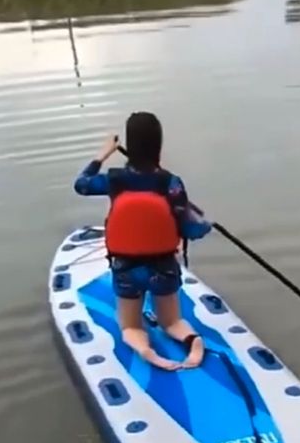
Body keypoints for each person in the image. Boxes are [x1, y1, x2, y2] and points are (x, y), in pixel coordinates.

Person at [73, 112, 212, 371]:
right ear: (158, 144)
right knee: (172, 322)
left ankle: (144, 348)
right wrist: (205, 224)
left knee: (130, 326)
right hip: (163, 266)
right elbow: (192, 228)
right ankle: (191, 340)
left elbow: (81, 185)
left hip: (127, 267)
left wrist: (103, 154)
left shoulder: (115, 179)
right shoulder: (170, 182)